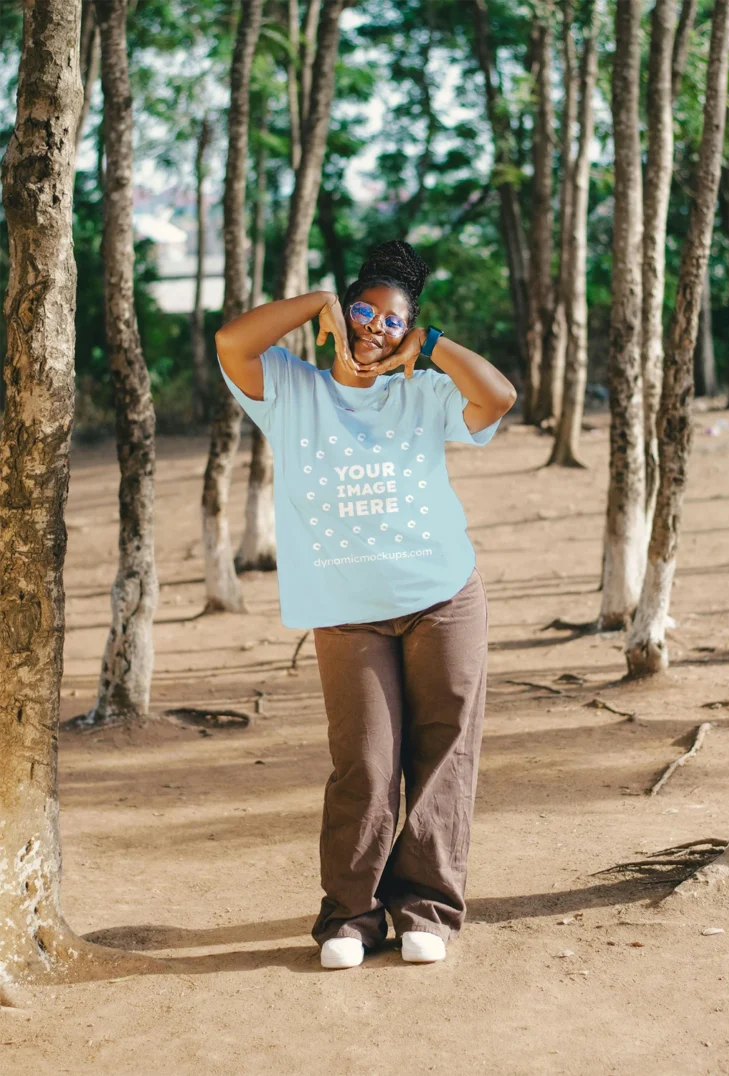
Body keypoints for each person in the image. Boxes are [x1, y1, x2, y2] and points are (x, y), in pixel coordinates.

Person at [215, 240, 516, 969]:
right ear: (341, 314)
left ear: (409, 330)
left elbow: (498, 396)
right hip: (348, 612)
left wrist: (432, 346)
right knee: (366, 764)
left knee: (444, 753)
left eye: (393, 320)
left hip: (441, 596)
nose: (374, 327)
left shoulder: (422, 390)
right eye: (362, 310)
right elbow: (231, 340)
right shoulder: (290, 390)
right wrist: (315, 303)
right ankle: (350, 914)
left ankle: (428, 909)